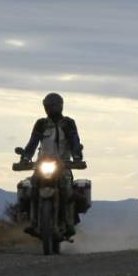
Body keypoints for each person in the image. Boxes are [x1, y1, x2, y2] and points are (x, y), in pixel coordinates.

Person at [21, 92, 83, 235]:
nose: (51, 109)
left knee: (68, 190)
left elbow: (75, 140)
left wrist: (77, 155)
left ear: (60, 106)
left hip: (63, 165)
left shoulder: (68, 123)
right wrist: (25, 156)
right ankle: (34, 222)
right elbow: (33, 142)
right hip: (43, 164)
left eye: (54, 106)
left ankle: (68, 223)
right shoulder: (41, 124)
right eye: (49, 106)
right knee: (33, 187)